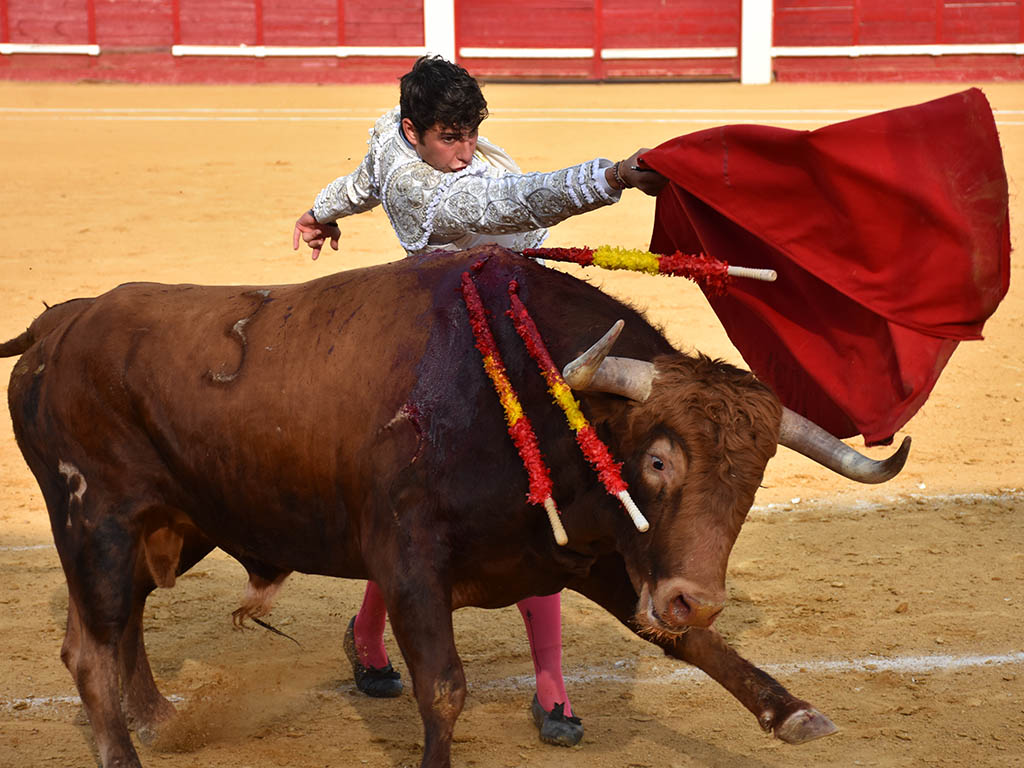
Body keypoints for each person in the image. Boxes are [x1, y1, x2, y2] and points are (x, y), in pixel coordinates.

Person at [292, 55, 665, 747]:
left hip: (512, 318)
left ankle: (543, 679)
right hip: (449, 351)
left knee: (519, 491)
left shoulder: (391, 138)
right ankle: (374, 636)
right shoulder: (422, 185)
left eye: (470, 134)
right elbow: (505, 205)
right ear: (414, 131)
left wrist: (320, 212)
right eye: (449, 139)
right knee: (452, 507)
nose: (464, 152)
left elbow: (358, 180)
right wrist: (610, 177)